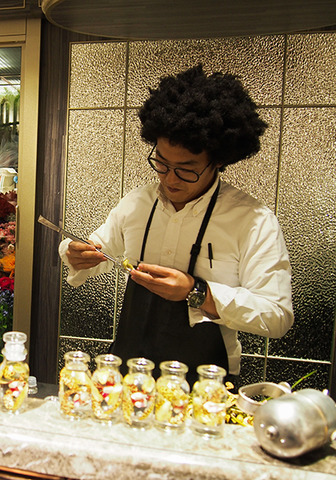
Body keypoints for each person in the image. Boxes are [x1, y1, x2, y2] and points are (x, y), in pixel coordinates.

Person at [58, 65, 293, 385]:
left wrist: (197, 293)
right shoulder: (138, 203)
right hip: (129, 374)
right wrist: (75, 253)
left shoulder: (251, 221)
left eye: (186, 169)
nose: (169, 179)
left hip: (207, 384)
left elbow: (276, 315)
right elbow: (95, 248)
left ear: (219, 160)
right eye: (162, 164)